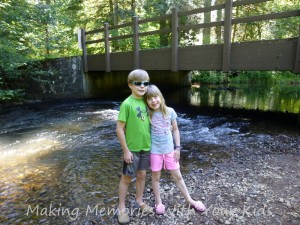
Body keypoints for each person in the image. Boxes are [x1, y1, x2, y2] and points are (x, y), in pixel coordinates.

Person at [144, 84, 206, 215]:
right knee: (155, 178)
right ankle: (158, 202)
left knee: (178, 176)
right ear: (146, 102)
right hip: (155, 151)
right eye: (149, 99)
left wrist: (177, 148)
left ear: (160, 97)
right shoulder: (147, 114)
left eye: (155, 97)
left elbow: (176, 130)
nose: (153, 101)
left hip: (170, 150)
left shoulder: (170, 111)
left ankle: (190, 200)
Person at [116, 69, 153, 224]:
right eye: (138, 83)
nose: (142, 86)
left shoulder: (147, 101)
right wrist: (126, 150)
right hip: (132, 149)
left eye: (145, 83)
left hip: (146, 147)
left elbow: (152, 119)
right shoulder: (127, 104)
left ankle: (140, 201)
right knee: (126, 178)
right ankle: (121, 207)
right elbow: (119, 128)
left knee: (142, 175)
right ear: (130, 85)